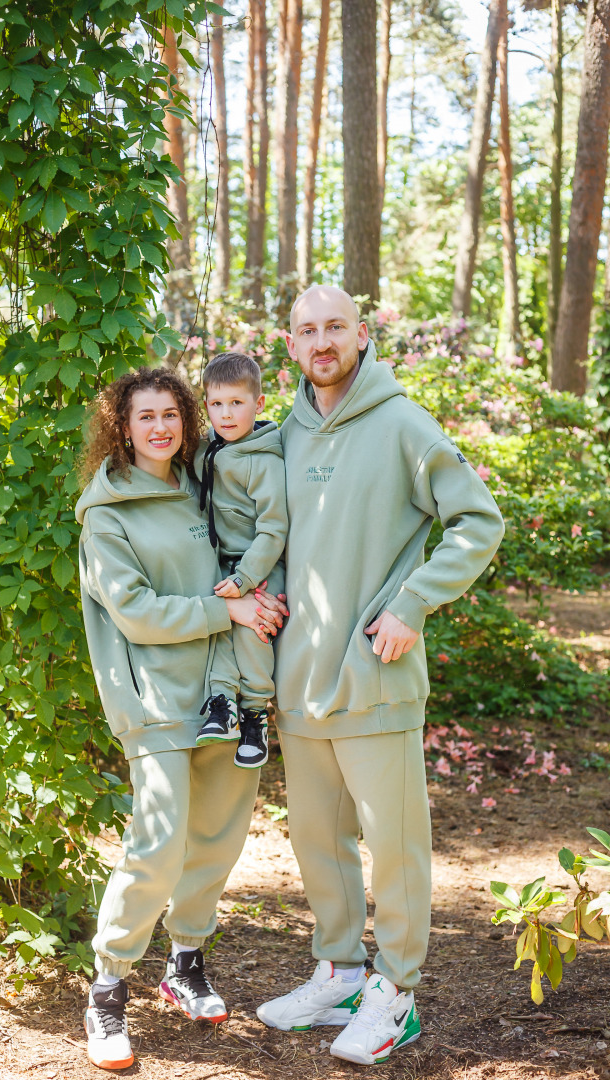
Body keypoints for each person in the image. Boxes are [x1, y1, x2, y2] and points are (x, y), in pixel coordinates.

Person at [255, 285, 505, 1066]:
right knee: (316, 840)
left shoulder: (403, 423)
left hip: (376, 676)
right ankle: (339, 971)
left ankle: (396, 994)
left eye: (335, 326)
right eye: (307, 330)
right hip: (296, 681)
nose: (321, 340)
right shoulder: (280, 436)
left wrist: (413, 602)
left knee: (395, 849)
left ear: (362, 335)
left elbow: (477, 521)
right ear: (289, 345)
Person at [75, 367, 283, 1070]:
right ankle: (107, 988)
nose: (160, 427)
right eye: (145, 417)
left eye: (170, 414)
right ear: (121, 427)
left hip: (223, 691)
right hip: (155, 699)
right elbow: (132, 612)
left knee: (218, 838)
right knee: (158, 843)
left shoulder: (201, 480)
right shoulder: (107, 513)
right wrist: (223, 609)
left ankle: (185, 961)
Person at [195, 352, 288, 768]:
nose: (226, 414)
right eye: (217, 404)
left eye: (237, 403)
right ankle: (221, 704)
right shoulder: (206, 451)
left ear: (259, 404)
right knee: (215, 628)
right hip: (219, 564)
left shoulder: (264, 462)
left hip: (259, 567)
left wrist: (248, 577)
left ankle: (254, 712)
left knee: (253, 633)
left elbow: (273, 531)